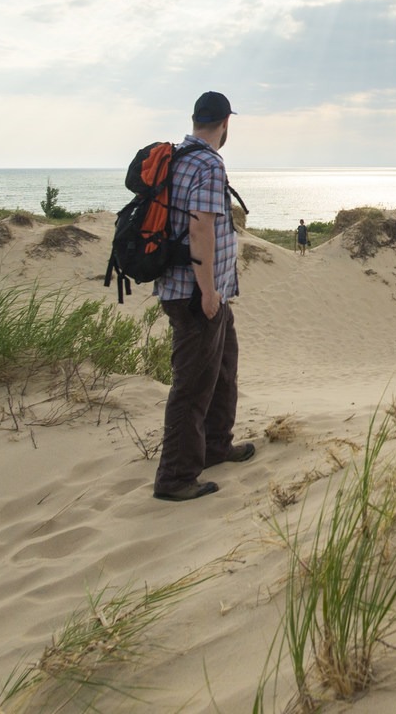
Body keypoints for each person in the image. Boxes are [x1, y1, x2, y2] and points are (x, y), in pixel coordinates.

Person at [151, 91, 256, 502]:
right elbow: (201, 228)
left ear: (196, 119)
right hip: (195, 292)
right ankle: (175, 478)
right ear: (225, 124)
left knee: (223, 368)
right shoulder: (208, 163)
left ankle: (215, 445)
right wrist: (208, 289)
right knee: (192, 385)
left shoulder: (179, 155)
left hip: (204, 290)